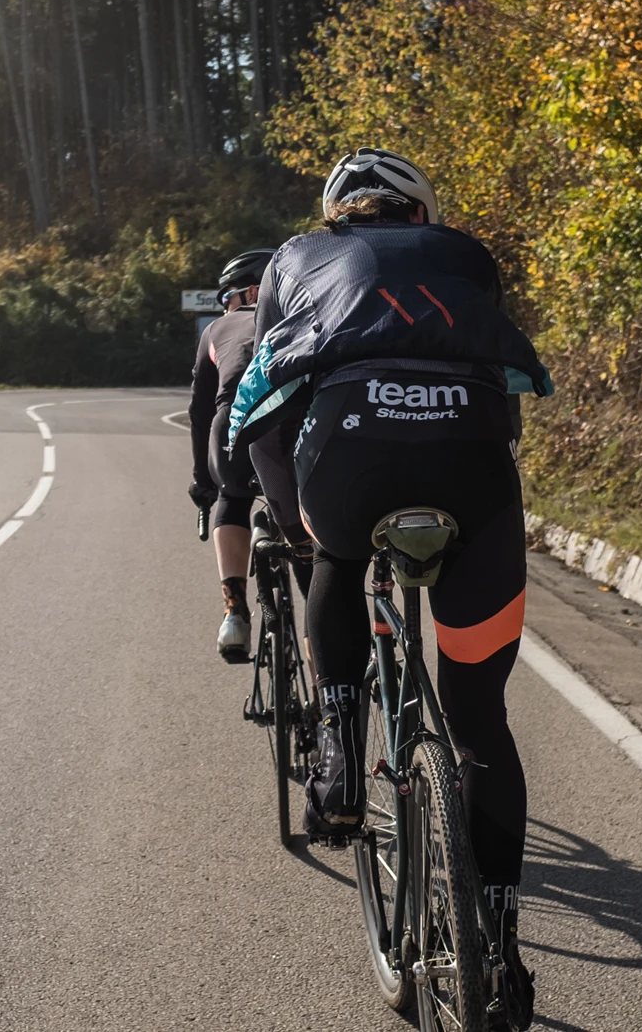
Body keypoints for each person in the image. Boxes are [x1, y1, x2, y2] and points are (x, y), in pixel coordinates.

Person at [228, 147, 551, 1029]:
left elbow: (260, 403)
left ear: (338, 215)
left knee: (333, 559)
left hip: (348, 459)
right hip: (473, 472)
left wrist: (300, 523)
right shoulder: (468, 254)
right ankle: (501, 946)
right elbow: (504, 397)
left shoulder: (295, 259)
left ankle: (336, 742)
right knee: (480, 717)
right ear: (422, 214)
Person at [187, 247, 277, 659]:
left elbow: (200, 410)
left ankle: (235, 613)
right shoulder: (303, 316)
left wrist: (203, 483)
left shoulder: (216, 333)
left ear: (250, 291)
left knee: (232, 497)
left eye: (227, 298)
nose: (225, 308)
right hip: (296, 419)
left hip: (235, 423)